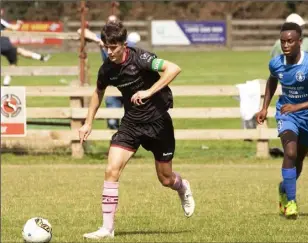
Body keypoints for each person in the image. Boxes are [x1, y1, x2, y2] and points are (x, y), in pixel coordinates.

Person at [78, 20, 195, 239]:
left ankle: (182, 187)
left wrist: (149, 92)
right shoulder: (107, 70)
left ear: (124, 44)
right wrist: (88, 122)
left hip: (158, 123)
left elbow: (173, 68)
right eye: (106, 46)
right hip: (131, 124)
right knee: (111, 170)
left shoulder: (141, 58)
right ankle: (107, 228)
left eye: (114, 47)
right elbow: (98, 92)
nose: (110, 51)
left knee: (166, 179)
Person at [256, 22, 308, 219]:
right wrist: (265, 107)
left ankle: (284, 188)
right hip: (286, 114)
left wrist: (298, 107)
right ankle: (291, 202)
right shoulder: (276, 63)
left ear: (300, 42)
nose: (286, 45)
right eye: (282, 41)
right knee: (290, 152)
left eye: (290, 41)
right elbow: (272, 79)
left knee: (298, 159)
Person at [77, 15, 141, 129]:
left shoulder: (124, 42)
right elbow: (81, 31)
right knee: (112, 122)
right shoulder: (103, 40)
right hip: (112, 83)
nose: (110, 50)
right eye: (110, 22)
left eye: (115, 22)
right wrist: (99, 41)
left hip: (130, 86)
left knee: (135, 122)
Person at [1, 8, 51, 86]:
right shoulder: (1, 21)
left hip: (4, 44)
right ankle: (6, 84)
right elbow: (14, 28)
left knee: (20, 51)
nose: (2, 11)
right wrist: (19, 24)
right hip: (3, 44)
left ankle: (42, 58)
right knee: (13, 62)